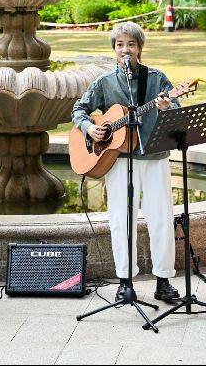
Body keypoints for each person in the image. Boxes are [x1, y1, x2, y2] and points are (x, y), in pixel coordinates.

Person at [71, 21, 180, 302]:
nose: (125, 49)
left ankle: (163, 280)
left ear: (140, 48)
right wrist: (89, 128)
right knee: (121, 219)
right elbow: (79, 109)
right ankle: (125, 281)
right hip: (118, 160)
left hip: (154, 157)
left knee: (161, 218)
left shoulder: (156, 78)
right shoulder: (104, 83)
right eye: (120, 45)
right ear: (114, 50)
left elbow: (177, 110)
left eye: (131, 44)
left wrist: (168, 106)